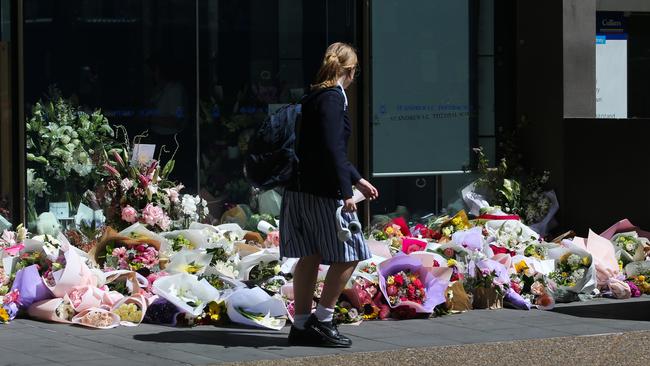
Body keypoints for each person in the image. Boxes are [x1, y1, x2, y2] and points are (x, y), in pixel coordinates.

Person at [280, 42, 379, 347]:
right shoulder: (334, 98)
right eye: (355, 71)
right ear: (349, 71)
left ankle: (300, 325)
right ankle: (323, 320)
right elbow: (334, 148)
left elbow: (322, 148)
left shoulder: (313, 96)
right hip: (323, 192)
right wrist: (348, 190)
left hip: (299, 189)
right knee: (351, 254)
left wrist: (358, 179)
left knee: (310, 254)